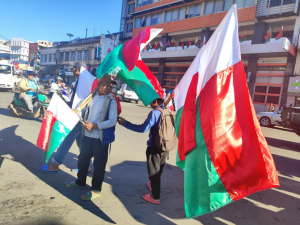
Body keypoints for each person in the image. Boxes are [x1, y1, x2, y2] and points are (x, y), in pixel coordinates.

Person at [66, 75, 118, 201]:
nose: (109, 88)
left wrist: (95, 126)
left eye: (111, 86)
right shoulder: (91, 98)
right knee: (82, 160)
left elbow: (112, 121)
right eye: (106, 85)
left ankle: (96, 190)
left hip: (101, 138)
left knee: (99, 165)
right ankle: (80, 182)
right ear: (99, 85)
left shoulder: (111, 100)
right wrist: (76, 112)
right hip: (87, 136)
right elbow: (84, 112)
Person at [39, 62, 89, 173]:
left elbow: (85, 101)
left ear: (77, 69)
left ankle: (55, 165)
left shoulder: (84, 83)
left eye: (74, 68)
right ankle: (87, 166)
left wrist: (76, 111)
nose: (73, 70)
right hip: (78, 116)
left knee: (66, 140)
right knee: (81, 143)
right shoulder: (79, 82)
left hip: (78, 117)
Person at [118, 98, 167, 205]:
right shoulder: (167, 111)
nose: (149, 103)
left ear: (155, 101)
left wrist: (125, 123)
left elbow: (142, 128)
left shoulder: (154, 113)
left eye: (151, 101)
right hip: (166, 146)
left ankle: (155, 197)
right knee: (158, 170)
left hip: (154, 147)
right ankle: (153, 185)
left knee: (154, 172)